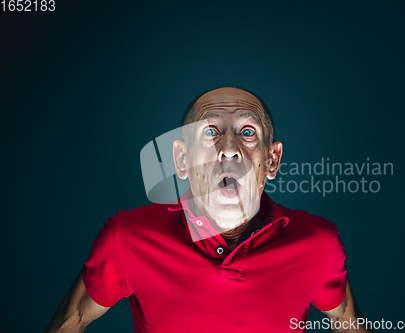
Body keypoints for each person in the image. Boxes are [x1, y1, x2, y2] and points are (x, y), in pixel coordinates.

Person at [44, 87, 372, 333]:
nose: (229, 149)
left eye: (247, 133)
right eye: (210, 132)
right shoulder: (127, 237)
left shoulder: (318, 243)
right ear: (182, 160)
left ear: (272, 160)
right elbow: (74, 319)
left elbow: (346, 320)